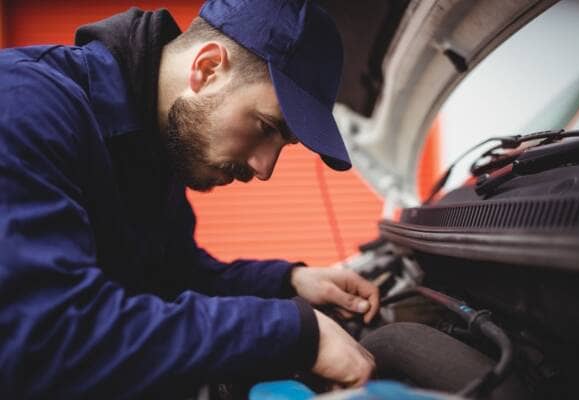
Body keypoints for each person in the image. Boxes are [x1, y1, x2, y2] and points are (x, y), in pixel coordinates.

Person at [0, 0, 379, 398]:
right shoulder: (23, 107)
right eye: (267, 126)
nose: (265, 168)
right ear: (207, 68)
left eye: (285, 145)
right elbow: (46, 336)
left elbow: (170, 278)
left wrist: (287, 283)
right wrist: (294, 333)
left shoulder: (151, 147)